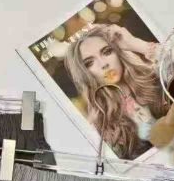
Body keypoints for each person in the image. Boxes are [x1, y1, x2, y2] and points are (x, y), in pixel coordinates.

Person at [64, 24, 167, 159]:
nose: (104, 64)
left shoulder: (157, 77)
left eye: (107, 52)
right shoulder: (99, 126)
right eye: (89, 63)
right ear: (84, 74)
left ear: (118, 52)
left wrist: (135, 44)